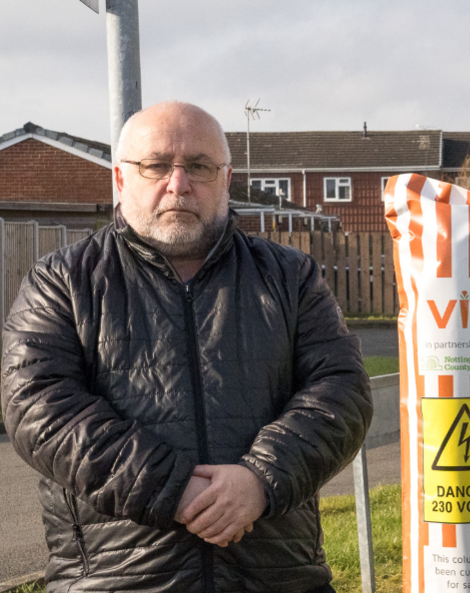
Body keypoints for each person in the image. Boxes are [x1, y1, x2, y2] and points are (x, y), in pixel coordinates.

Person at [1, 101, 372, 592]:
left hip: (275, 574)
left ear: (226, 177)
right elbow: (36, 406)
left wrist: (260, 479)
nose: (178, 184)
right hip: (117, 579)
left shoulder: (290, 276)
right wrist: (172, 488)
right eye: (156, 165)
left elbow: (342, 390)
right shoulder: (63, 281)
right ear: (120, 177)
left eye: (198, 166)